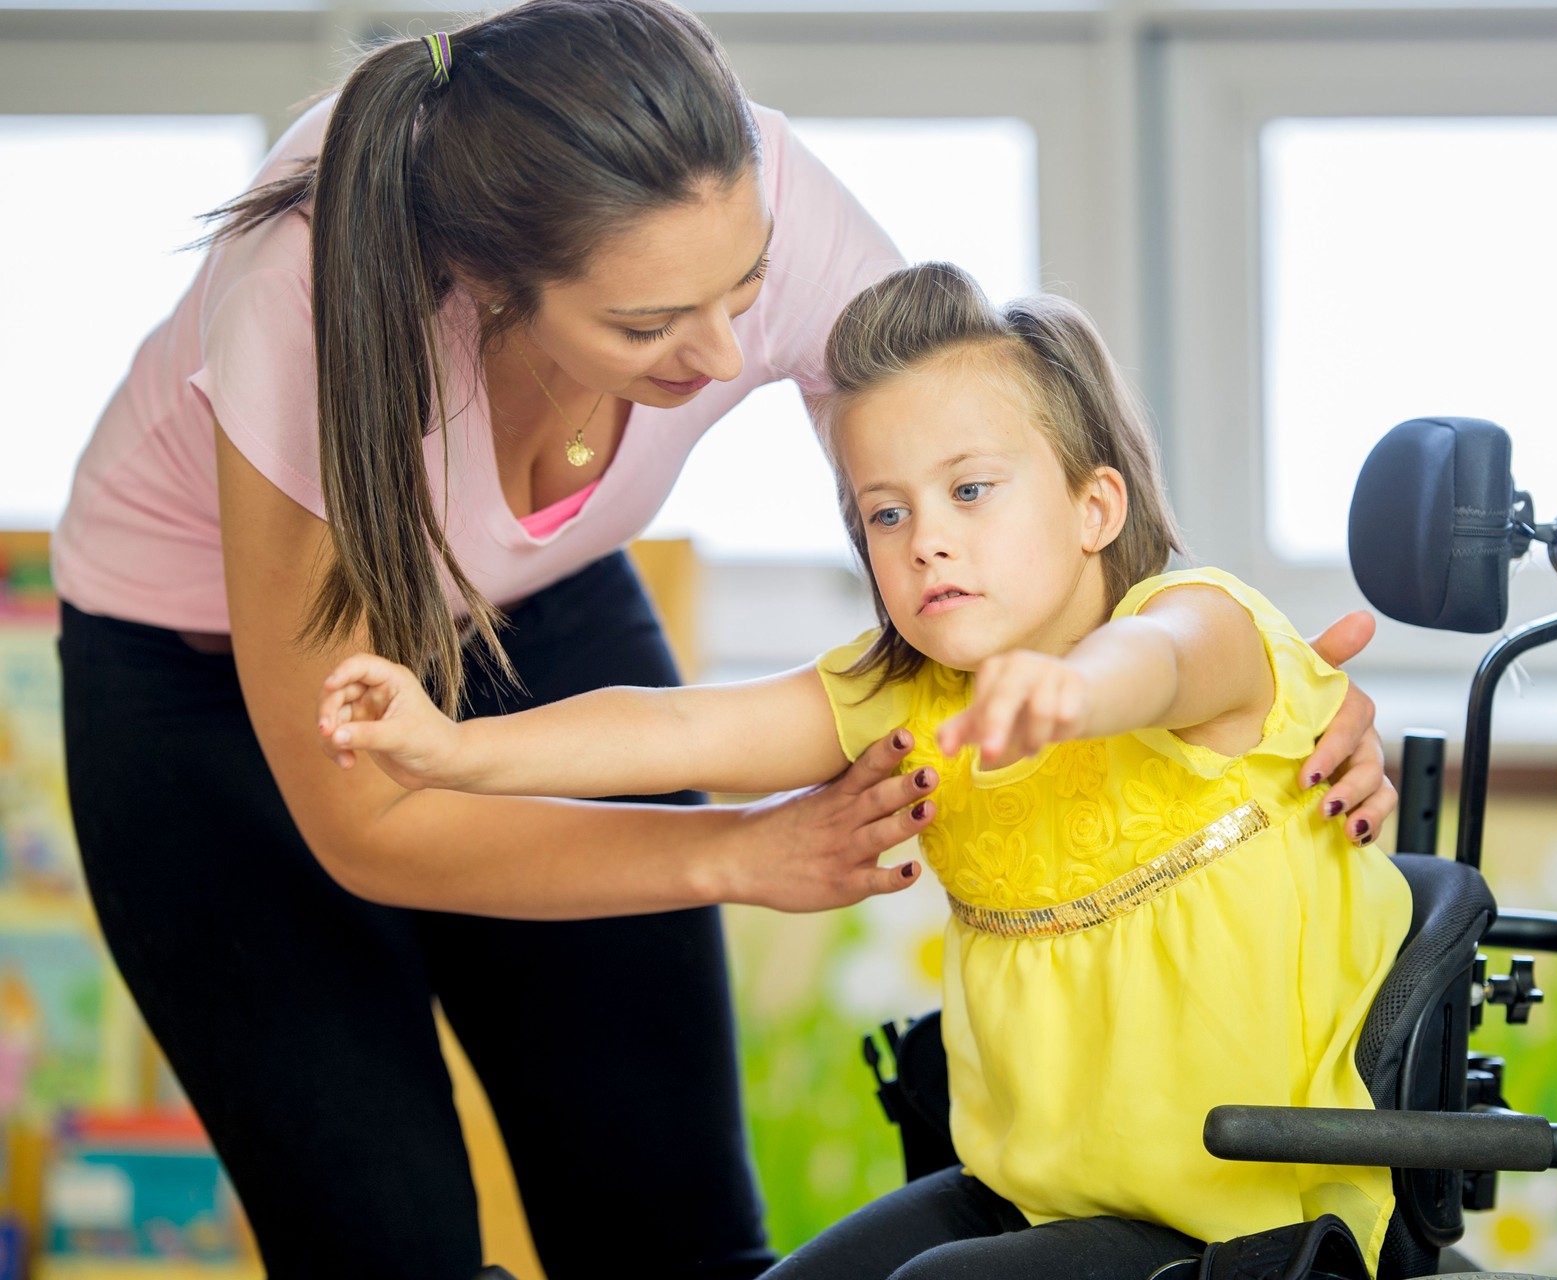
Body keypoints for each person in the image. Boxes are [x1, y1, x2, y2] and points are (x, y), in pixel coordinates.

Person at [52, 3, 1393, 1277]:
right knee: (383, 1250)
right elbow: (370, 822)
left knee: (671, 1234)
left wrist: (1250, 689)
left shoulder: (755, 191)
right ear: (494, 288)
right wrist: (736, 850)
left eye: (744, 291)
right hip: (198, 682)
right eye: (647, 327)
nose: (724, 351)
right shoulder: (311, 306)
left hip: (540, 604)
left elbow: (1022, 467)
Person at [315, 262, 1414, 1279]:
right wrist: (452, 749)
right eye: (886, 513)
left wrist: (1074, 693)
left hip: (1246, 1214)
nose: (925, 539)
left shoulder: (1201, 620)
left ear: (1097, 506)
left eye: (971, 491)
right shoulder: (914, 693)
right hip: (1034, 1194)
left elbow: (1159, 663)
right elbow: (682, 731)